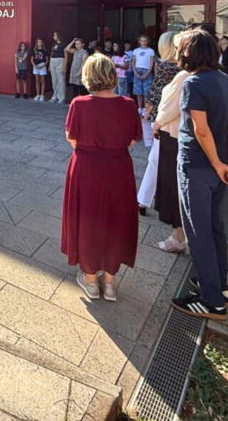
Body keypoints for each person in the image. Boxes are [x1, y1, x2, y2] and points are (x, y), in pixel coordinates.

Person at [171, 29, 228, 321]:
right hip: (217, 167)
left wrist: (216, 162)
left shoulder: (194, 84)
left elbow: (200, 130)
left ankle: (211, 301)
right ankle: (219, 286)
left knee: (197, 232)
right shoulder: (225, 81)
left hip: (197, 166)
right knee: (214, 228)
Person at [61, 53, 143, 302]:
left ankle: (90, 280)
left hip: (87, 168)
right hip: (119, 167)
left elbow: (72, 139)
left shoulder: (79, 104)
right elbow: (133, 140)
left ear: (88, 76)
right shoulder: (128, 104)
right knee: (116, 220)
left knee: (88, 218)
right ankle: (109, 282)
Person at [150, 33, 189, 251]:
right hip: (185, 136)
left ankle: (179, 236)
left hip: (174, 136)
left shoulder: (184, 77)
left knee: (174, 186)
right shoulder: (215, 76)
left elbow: (168, 108)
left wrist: (156, 124)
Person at [137, 32, 180, 215]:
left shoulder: (165, 67)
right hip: (173, 118)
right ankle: (145, 199)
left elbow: (155, 92)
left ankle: (144, 199)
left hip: (163, 118)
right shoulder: (180, 67)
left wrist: (147, 113)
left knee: (155, 158)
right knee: (157, 158)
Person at [131, 35, 156, 111]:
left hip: (146, 70)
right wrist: (135, 72)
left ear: (147, 41)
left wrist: (147, 73)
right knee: (138, 92)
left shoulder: (151, 51)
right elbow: (133, 62)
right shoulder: (136, 51)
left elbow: (151, 63)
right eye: (142, 41)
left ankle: (145, 108)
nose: (144, 42)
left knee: (146, 92)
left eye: (145, 41)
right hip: (137, 70)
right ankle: (139, 108)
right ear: (139, 41)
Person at [49, 31, 68, 104]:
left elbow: (66, 56)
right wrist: (49, 65)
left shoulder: (64, 44)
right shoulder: (54, 44)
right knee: (54, 80)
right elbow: (51, 53)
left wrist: (64, 66)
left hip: (60, 60)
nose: (53, 36)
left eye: (54, 35)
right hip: (52, 61)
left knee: (61, 79)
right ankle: (55, 96)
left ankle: (62, 98)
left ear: (58, 36)